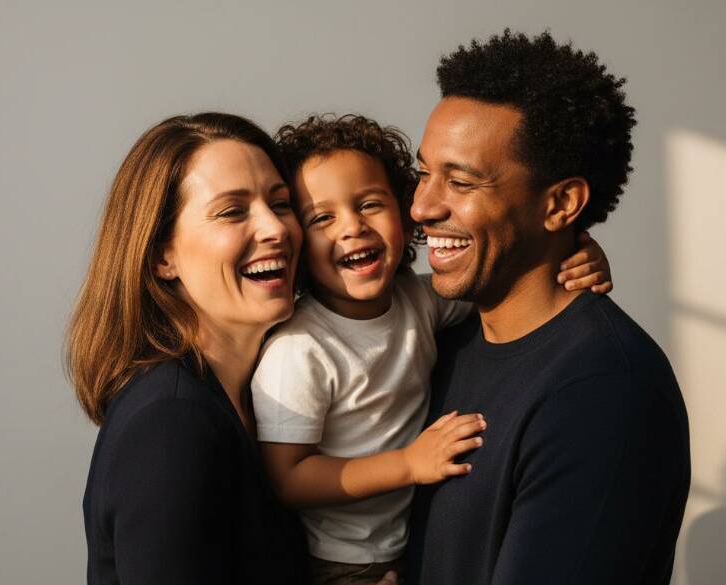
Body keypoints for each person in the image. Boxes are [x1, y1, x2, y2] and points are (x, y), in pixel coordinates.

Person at [250, 114, 614, 585]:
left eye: (370, 204)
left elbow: (505, 285)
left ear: (405, 213)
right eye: (322, 218)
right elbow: (288, 478)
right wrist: (407, 464)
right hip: (343, 563)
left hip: (409, 544)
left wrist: (575, 255)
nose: (352, 228)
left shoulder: (418, 300)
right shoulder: (300, 349)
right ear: (296, 242)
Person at [406, 31, 691, 585]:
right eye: (423, 173)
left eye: (460, 181)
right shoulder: (440, 336)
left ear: (560, 204)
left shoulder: (605, 389)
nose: (422, 206)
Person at [66, 113, 311, 584]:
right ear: (162, 255)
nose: (276, 229)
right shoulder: (172, 424)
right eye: (233, 211)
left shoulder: (253, 404)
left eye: (280, 204)